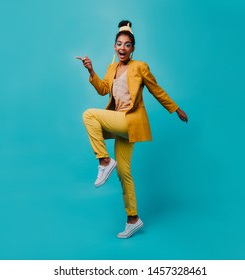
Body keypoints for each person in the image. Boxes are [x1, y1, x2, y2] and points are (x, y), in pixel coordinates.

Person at [77, 20, 188, 239]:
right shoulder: (112, 68)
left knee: (89, 115)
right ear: (114, 46)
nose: (122, 48)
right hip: (119, 122)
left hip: (130, 121)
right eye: (119, 44)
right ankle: (133, 219)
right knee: (124, 172)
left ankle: (104, 160)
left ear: (133, 49)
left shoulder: (140, 67)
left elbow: (157, 90)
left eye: (127, 45)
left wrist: (175, 109)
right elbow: (103, 90)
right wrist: (91, 70)